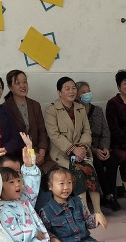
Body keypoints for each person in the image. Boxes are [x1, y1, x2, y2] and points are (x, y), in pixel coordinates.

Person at [43, 77, 100, 214]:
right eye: (67, 88)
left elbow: (87, 131)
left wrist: (82, 148)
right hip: (62, 154)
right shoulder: (51, 110)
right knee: (78, 173)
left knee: (90, 170)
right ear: (59, 92)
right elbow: (54, 135)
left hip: (81, 152)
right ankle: (85, 212)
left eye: (73, 88)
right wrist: (74, 149)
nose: (71, 91)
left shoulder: (80, 108)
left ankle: (98, 211)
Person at [0, 70, 50, 169]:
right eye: (18, 83)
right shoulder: (5, 108)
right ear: (10, 87)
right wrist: (31, 153)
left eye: (25, 82)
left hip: (40, 154)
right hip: (18, 155)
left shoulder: (35, 105)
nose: (23, 85)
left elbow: (42, 131)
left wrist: (42, 152)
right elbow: (10, 138)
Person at [80, 81, 117, 211]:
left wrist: (105, 148)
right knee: (97, 163)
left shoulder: (98, 110)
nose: (87, 94)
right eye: (83, 92)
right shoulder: (77, 111)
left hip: (101, 146)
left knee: (112, 160)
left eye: (88, 91)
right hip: (88, 149)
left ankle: (112, 194)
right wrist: (94, 150)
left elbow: (106, 132)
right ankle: (106, 195)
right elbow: (78, 137)